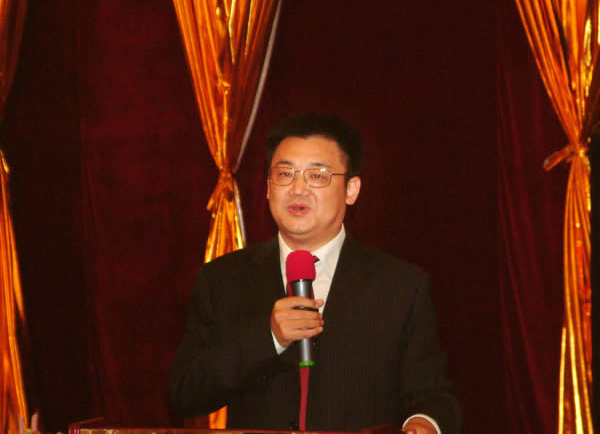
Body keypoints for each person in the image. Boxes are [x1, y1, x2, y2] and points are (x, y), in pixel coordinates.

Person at [169, 113, 462, 434]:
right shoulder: (223, 279)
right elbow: (183, 394)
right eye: (285, 174)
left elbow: (434, 395)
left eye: (317, 176)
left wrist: (423, 423)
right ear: (267, 188)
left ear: (351, 189)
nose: (298, 189)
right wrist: (269, 339)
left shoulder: (400, 286)